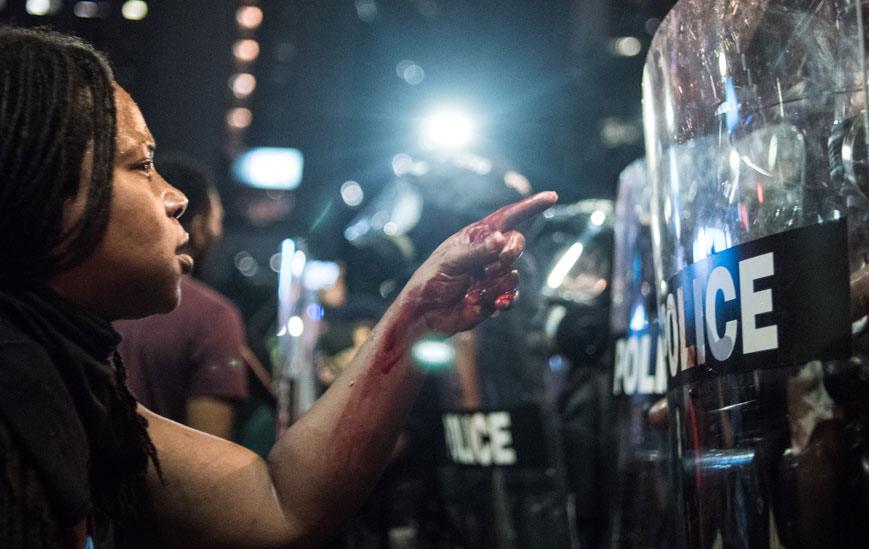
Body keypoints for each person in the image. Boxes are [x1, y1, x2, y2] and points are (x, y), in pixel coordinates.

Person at [0, 26, 557, 547]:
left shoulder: (70, 383)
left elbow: (276, 506)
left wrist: (420, 313)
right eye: (142, 164)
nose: (176, 197)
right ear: (41, 183)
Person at [113, 158, 251, 439]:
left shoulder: (102, 295)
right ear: (199, 227)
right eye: (218, 221)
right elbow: (211, 451)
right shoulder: (214, 318)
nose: (218, 233)